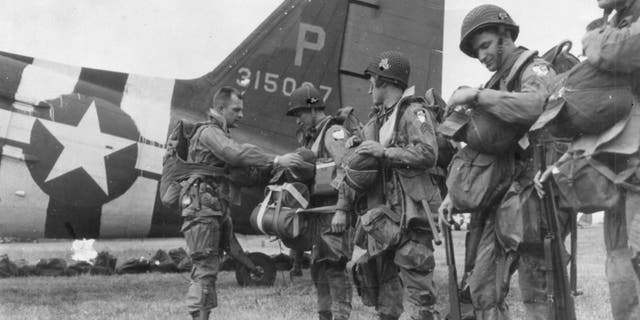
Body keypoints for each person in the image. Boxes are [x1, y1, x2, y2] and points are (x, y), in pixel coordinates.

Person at [440, 4, 565, 319]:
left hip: (537, 195)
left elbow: (537, 106)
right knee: (483, 287)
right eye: (476, 51)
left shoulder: (535, 69)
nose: (481, 56)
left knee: (537, 288)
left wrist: (478, 97)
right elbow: (483, 149)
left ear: (505, 35)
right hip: (501, 199)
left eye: (484, 45)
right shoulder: (495, 84)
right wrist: (451, 196)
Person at [535, 1, 640, 318]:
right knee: (622, 275)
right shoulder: (618, 22)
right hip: (626, 181)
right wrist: (563, 162)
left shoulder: (614, 34)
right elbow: (606, 116)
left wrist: (595, 39)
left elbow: (620, 49)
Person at [180, 86, 303, 320]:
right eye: (236, 109)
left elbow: (237, 170)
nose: (241, 115)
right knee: (205, 270)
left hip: (212, 209)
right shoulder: (209, 133)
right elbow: (235, 155)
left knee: (208, 271)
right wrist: (276, 159)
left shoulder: (218, 134)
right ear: (220, 108)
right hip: (203, 211)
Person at [337, 50, 441, 320]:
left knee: (419, 289)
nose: (369, 86)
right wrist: (358, 146)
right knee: (384, 288)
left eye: (372, 79)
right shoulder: (378, 119)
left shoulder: (413, 112)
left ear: (384, 81)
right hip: (383, 216)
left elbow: (428, 153)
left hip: (411, 213)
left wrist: (386, 152)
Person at [285, 83, 353, 320]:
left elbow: (347, 169)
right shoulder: (313, 138)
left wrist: (342, 211)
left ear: (313, 109)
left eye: (299, 113)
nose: (297, 120)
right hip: (318, 214)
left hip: (333, 213)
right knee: (318, 269)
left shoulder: (334, 133)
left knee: (335, 268)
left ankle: (341, 316)